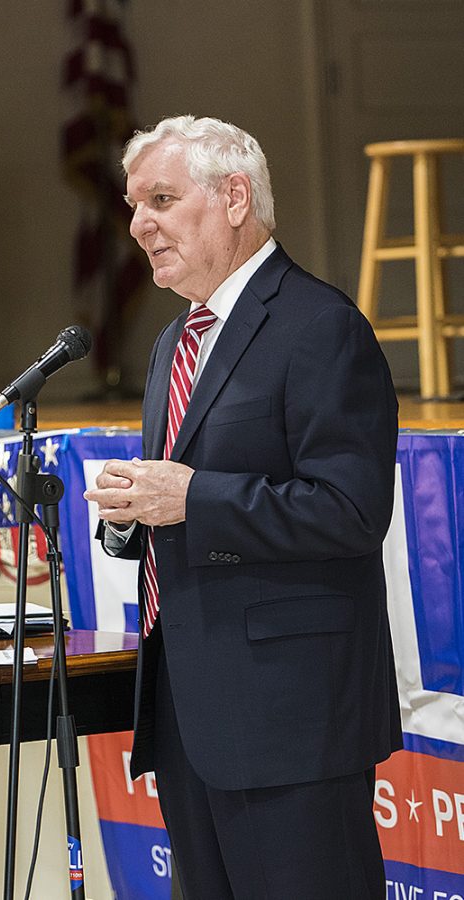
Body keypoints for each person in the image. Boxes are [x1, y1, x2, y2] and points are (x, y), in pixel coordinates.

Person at [84, 115, 402, 900]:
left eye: (160, 198)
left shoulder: (321, 327)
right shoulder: (174, 343)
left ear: (233, 197)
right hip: (193, 717)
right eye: (133, 206)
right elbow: (178, 506)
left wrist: (191, 497)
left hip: (293, 722)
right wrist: (131, 515)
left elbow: (352, 511)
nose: (138, 225)